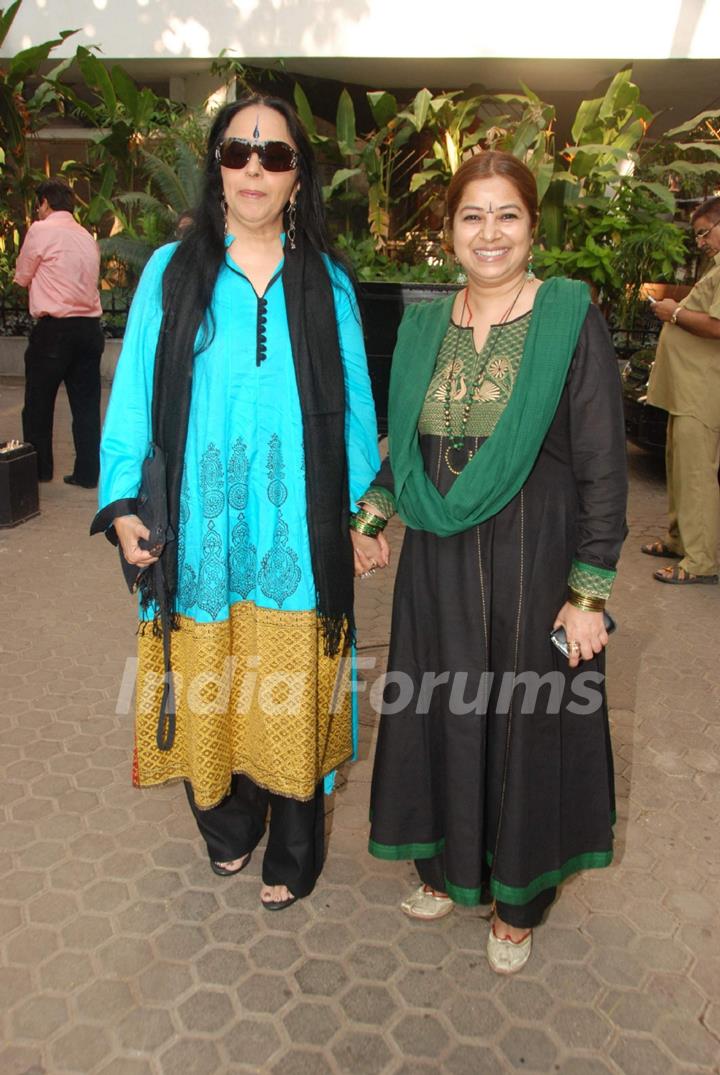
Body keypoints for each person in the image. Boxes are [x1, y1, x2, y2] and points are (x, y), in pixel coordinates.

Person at [91, 95, 379, 909]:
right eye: (240, 151)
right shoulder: (172, 271)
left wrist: (365, 508)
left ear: (298, 177)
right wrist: (120, 506)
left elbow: (357, 406)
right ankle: (226, 822)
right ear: (217, 163)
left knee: (292, 681)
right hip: (201, 531)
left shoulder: (327, 281)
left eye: (276, 155)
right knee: (208, 675)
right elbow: (134, 396)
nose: (255, 167)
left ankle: (295, 844)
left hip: (298, 529)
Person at [351, 152, 628, 974]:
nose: (490, 232)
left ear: (533, 226)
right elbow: (405, 438)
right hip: (436, 560)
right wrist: (370, 518)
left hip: (533, 561)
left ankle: (516, 898)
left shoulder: (568, 317)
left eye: (507, 214)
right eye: (472, 215)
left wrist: (588, 593)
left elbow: (603, 466)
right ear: (448, 232)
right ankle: (442, 864)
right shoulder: (425, 327)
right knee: (438, 707)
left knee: (524, 720)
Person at [643, 196, 720, 585]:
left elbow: (717, 325)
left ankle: (701, 560)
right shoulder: (715, 269)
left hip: (704, 391)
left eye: (705, 232)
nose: (701, 242)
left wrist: (673, 311)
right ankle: (679, 539)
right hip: (686, 389)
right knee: (679, 467)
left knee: (696, 475)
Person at [14, 178, 104, 487]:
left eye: (38, 204)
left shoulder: (41, 230)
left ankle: (38, 472)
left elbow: (22, 276)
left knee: (38, 404)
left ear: (45, 204)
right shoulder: (85, 235)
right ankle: (88, 473)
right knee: (87, 406)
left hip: (55, 330)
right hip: (90, 329)